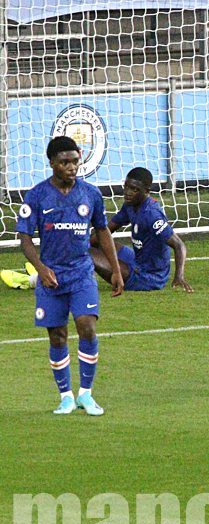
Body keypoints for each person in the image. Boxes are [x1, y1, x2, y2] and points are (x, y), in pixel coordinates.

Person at [14, 136, 123, 416]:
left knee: (87, 326)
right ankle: (65, 396)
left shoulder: (91, 194)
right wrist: (40, 268)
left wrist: (115, 270)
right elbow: (25, 238)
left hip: (81, 274)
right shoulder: (37, 195)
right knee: (58, 336)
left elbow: (102, 232)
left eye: (75, 161)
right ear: (52, 163)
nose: (71, 167)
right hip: (52, 278)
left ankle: (86, 394)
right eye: (64, 162)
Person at [89, 167, 193, 293]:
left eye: (134, 189)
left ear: (146, 191)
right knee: (97, 243)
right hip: (136, 260)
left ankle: (82, 280)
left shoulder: (152, 215)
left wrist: (179, 276)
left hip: (149, 276)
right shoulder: (130, 205)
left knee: (88, 252)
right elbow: (105, 230)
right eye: (126, 187)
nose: (128, 192)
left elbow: (179, 245)